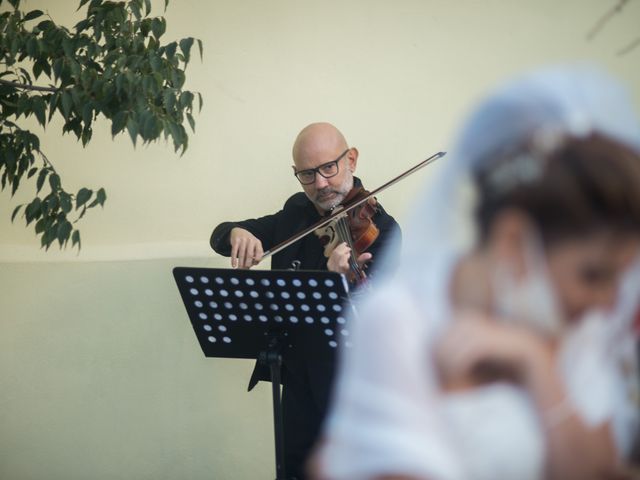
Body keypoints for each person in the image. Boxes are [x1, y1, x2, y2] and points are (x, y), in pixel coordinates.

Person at [315, 66, 640, 480]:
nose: (611, 301)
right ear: (512, 242)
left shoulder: (585, 320)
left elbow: (601, 470)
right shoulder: (401, 318)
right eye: (594, 274)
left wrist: (538, 365)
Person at [210, 122, 400, 479]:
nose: (321, 184)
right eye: (308, 174)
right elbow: (220, 236)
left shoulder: (384, 232)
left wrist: (337, 282)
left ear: (352, 160)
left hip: (350, 392)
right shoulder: (297, 212)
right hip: (296, 382)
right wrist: (237, 233)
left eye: (329, 167)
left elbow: (376, 322)